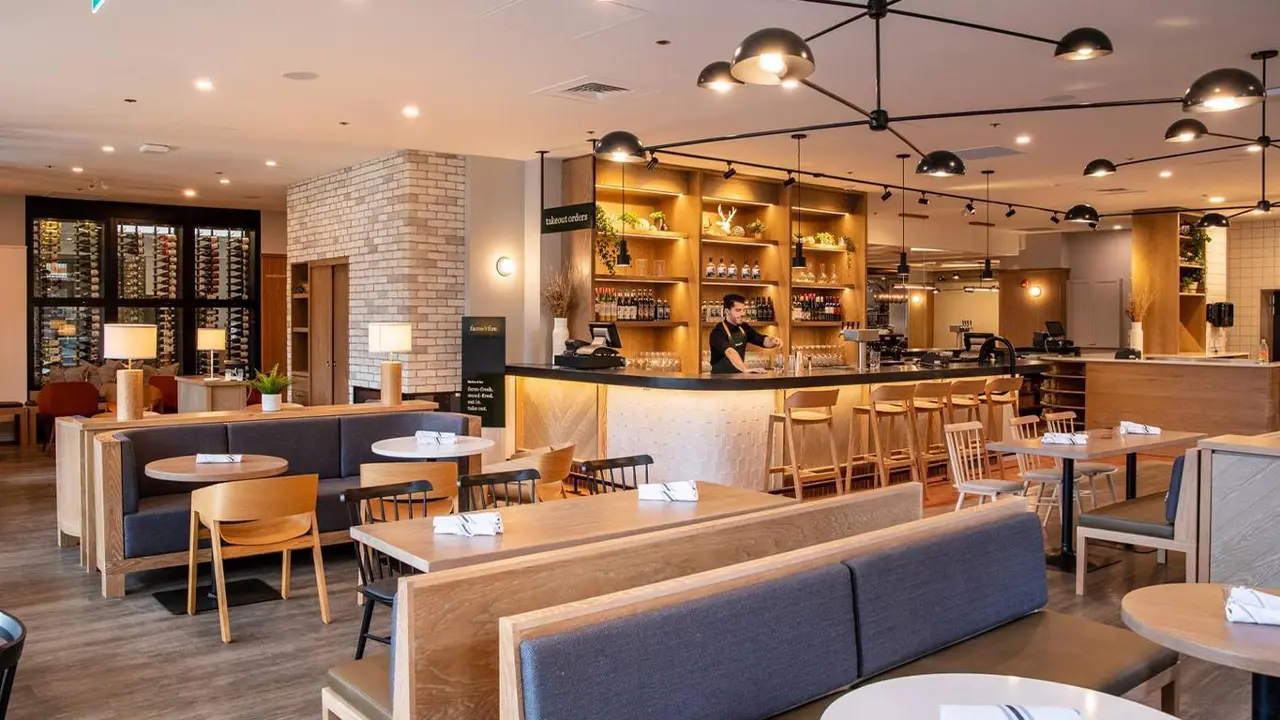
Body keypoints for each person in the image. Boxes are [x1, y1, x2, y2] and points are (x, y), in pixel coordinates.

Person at [708, 293, 782, 374]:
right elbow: (730, 352)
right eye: (738, 310)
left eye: (743, 310)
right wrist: (745, 369)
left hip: (738, 378)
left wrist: (773, 341)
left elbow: (761, 340)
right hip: (719, 381)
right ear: (727, 311)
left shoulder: (744, 327)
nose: (743, 314)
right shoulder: (718, 332)